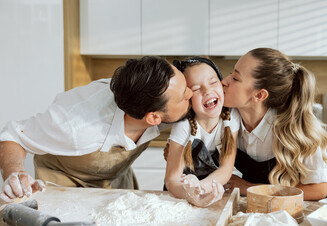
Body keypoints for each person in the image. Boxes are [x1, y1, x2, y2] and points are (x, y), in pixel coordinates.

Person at [0, 56, 193, 202]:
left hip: (116, 186)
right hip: (64, 192)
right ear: (153, 118)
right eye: (184, 95)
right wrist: (15, 172)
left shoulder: (151, 102)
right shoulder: (74, 125)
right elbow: (13, 134)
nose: (191, 94)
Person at [222, 48, 327, 201]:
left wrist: (249, 187)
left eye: (235, 78)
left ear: (259, 95)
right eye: (231, 73)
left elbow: (318, 190)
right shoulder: (228, 118)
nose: (224, 81)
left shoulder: (297, 126)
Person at [165, 57, 240, 207]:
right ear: (186, 98)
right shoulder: (183, 126)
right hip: (182, 197)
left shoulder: (231, 118)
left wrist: (202, 188)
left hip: (214, 189)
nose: (207, 90)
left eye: (213, 82)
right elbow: (172, 180)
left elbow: (226, 169)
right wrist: (191, 192)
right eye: (196, 89)